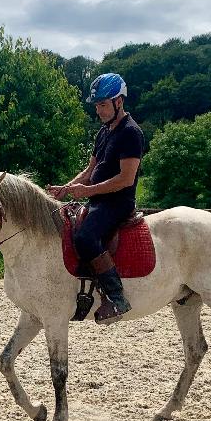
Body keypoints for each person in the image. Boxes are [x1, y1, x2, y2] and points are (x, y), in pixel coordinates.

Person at [47, 73, 144, 325]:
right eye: (97, 105)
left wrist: (87, 192)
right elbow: (90, 171)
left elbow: (125, 179)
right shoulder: (103, 132)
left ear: (119, 102)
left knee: (85, 236)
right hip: (99, 200)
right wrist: (67, 188)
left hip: (118, 203)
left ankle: (117, 297)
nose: (98, 110)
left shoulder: (131, 133)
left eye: (102, 105)